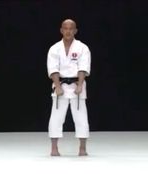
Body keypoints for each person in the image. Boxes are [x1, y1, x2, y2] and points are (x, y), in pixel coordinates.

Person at [47, 19, 91, 156]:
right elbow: (53, 68)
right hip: (60, 85)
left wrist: (80, 84)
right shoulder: (54, 48)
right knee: (56, 117)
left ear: (75, 31)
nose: (68, 31)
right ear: (61, 30)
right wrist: (58, 86)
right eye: (65, 28)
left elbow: (83, 66)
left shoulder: (82, 48)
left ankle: (82, 148)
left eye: (71, 28)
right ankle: (54, 148)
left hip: (77, 84)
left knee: (81, 117)